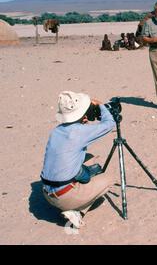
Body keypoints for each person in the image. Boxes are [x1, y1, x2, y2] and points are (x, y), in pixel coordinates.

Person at [40, 91, 116, 228]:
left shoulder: (57, 131)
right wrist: (101, 106)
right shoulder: (79, 132)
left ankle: (74, 199)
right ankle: (76, 211)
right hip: (64, 197)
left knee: (90, 158)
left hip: (47, 192)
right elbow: (109, 124)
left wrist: (82, 120)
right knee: (110, 179)